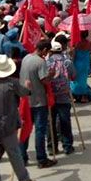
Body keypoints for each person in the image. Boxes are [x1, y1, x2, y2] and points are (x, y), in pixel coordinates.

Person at [20, 39, 58, 168]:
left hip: (26, 100)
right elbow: (45, 80)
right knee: (40, 130)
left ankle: (22, 157)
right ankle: (41, 158)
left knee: (25, 130)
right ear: (45, 50)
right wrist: (52, 75)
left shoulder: (26, 58)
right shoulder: (40, 62)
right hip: (38, 101)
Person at [47, 40, 76, 155]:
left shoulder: (47, 62)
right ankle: (67, 146)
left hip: (51, 96)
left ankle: (52, 147)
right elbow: (74, 76)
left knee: (51, 122)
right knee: (65, 121)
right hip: (64, 95)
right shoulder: (67, 62)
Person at [71, 31, 91, 102]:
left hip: (77, 63)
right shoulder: (89, 43)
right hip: (85, 63)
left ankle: (74, 95)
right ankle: (84, 97)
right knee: (84, 80)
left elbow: (74, 55)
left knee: (75, 80)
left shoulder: (76, 43)